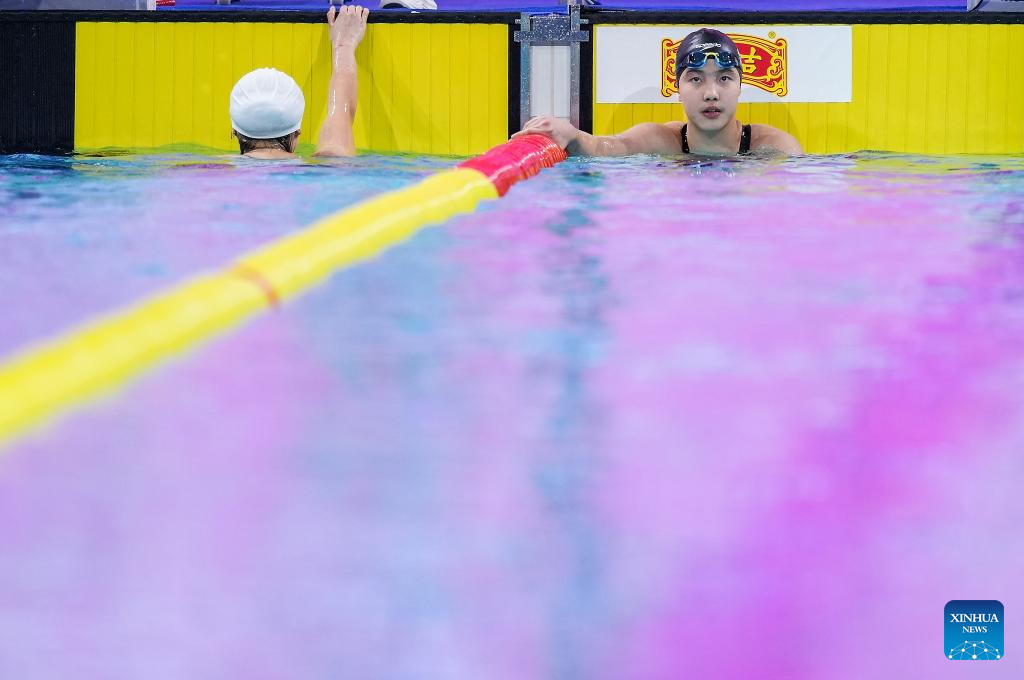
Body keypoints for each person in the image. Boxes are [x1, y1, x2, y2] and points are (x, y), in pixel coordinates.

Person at [515, 28, 803, 157]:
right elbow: (605, 148)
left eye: (724, 78)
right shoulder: (659, 140)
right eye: (696, 79)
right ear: (678, 90)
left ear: (740, 87)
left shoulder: (775, 148)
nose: (711, 93)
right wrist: (571, 134)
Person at [228, 5, 369, 159]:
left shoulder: (219, 167)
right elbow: (342, 109)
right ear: (297, 133)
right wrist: (344, 44)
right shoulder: (330, 163)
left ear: (234, 132)